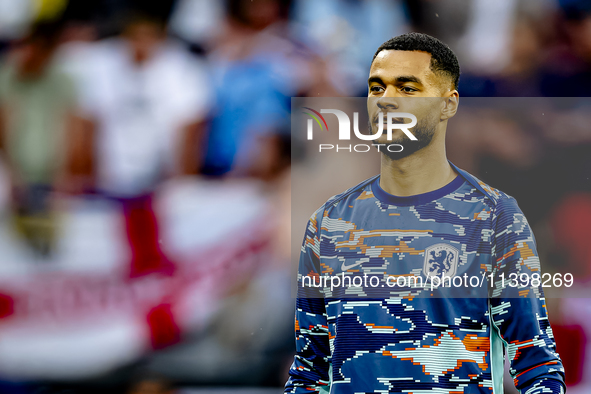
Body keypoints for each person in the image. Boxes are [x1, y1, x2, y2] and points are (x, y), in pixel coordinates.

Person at [285, 33, 566, 393]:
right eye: (376, 87)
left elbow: (536, 362)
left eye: (407, 88)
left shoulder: (494, 216)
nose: (386, 100)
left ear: (448, 104)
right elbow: (309, 370)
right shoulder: (328, 222)